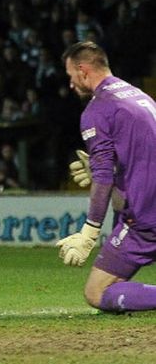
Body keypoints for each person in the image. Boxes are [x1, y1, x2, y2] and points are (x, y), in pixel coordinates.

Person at [56, 41, 156, 313]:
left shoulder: (97, 110)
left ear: (82, 70)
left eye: (70, 76)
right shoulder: (138, 95)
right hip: (148, 206)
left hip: (145, 218)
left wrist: (88, 232)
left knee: (97, 292)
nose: (70, 84)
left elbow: (101, 176)